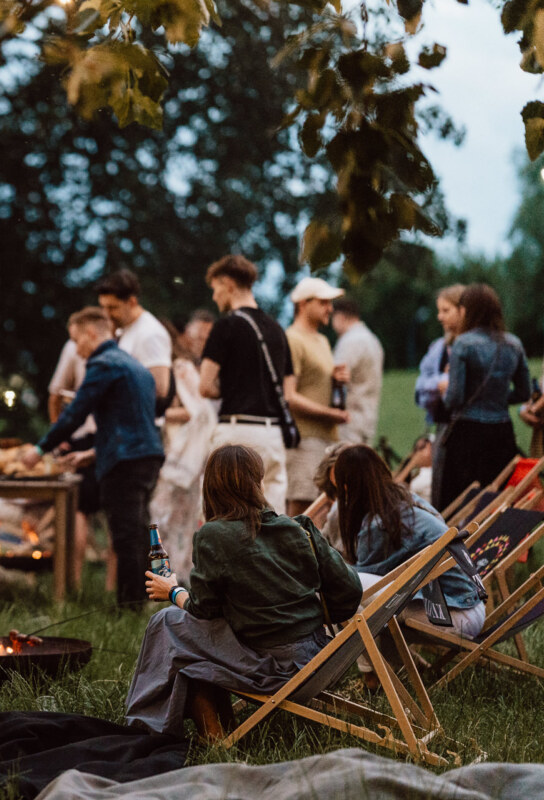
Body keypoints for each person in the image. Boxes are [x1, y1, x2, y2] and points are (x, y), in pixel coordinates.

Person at [125, 444, 361, 741]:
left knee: (168, 623)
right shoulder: (298, 528)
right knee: (186, 635)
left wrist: (172, 591)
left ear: (211, 488)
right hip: (319, 658)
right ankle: (210, 728)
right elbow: (350, 592)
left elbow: (202, 611)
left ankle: (155, 728)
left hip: (275, 670)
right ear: (257, 483)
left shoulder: (215, 535)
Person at [23, 307, 165, 609]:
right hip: (148, 455)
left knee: (125, 535)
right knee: (138, 531)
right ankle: (141, 601)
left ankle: (128, 608)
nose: (77, 349)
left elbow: (76, 412)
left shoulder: (103, 363)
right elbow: (129, 422)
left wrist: (40, 449)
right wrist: (91, 454)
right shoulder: (133, 365)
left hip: (126, 461)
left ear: (91, 333)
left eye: (77, 340)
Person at [333, 444, 485, 683]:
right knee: (370, 600)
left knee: (346, 589)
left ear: (346, 487)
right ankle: (399, 672)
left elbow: (360, 584)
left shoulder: (380, 523)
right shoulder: (405, 502)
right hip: (467, 606)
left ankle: (372, 677)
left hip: (455, 615)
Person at [199, 255, 295, 513]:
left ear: (228, 284)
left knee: (226, 514)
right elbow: (288, 391)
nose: (214, 296)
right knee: (274, 515)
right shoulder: (277, 329)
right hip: (273, 434)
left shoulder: (226, 326)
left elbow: (205, 385)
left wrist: (230, 388)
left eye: (216, 288)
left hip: (237, 431)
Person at [434, 284, 530, 510]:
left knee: (463, 502)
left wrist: (443, 392)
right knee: (497, 500)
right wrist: (496, 398)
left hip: (467, 433)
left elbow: (454, 398)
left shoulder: (463, 344)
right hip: (502, 432)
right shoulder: (514, 343)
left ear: (467, 311)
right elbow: (524, 392)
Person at [149, 310, 218, 578]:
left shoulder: (181, 368)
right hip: (173, 454)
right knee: (170, 522)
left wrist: (158, 415)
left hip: (182, 459)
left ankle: (174, 578)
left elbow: (198, 412)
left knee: (170, 520)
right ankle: (170, 578)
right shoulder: (173, 369)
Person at [285, 277, 350, 516]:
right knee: (302, 509)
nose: (330, 309)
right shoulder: (292, 339)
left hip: (325, 438)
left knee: (323, 509)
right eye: (323, 302)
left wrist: (334, 378)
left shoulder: (322, 340)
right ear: (303, 304)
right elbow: (290, 396)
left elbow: (311, 382)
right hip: (304, 439)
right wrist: (331, 413)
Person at [46, 338, 101, 576]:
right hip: (114, 436)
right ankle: (113, 590)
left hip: (83, 436)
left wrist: (57, 432)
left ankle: (75, 582)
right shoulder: (124, 341)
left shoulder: (73, 344)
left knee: (80, 512)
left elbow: (55, 393)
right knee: (113, 516)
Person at [95, 269, 171, 400]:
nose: (106, 314)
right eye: (103, 307)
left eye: (113, 308)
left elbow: (160, 389)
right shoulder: (123, 329)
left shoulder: (150, 334)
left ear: (132, 302)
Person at [331, 297, 384, 445]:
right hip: (368, 415)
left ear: (340, 317)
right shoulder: (373, 340)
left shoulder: (350, 341)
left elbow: (336, 376)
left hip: (350, 418)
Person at [414, 284, 465, 425]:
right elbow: (419, 392)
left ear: (463, 310)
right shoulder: (438, 348)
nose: (439, 317)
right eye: (439, 311)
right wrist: (440, 382)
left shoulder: (479, 347)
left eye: (446, 310)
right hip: (443, 426)